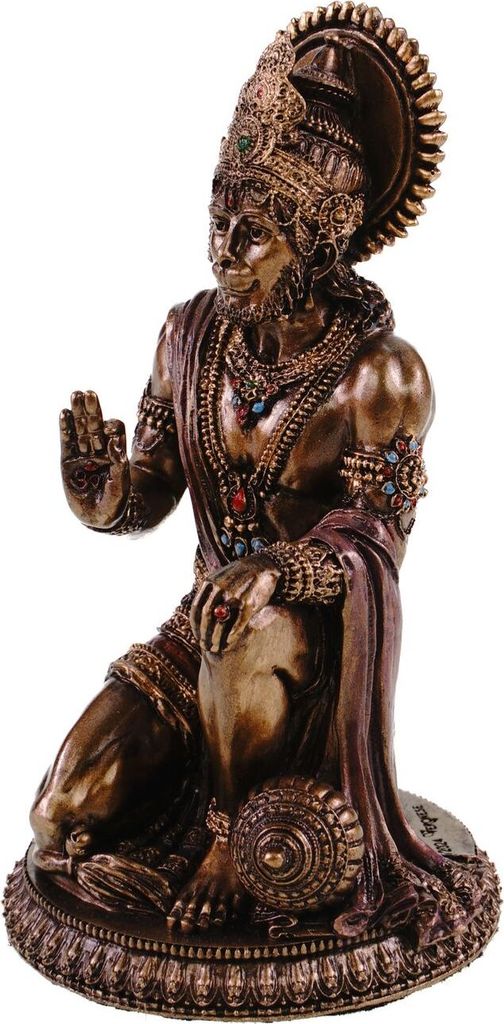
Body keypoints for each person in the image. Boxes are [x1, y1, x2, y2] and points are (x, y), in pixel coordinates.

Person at [29, 30, 481, 944]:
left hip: (304, 646)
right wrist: (104, 497)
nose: (224, 254)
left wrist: (276, 571)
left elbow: (377, 540)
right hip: (204, 620)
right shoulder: (188, 338)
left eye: (255, 234)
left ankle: (233, 836)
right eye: (218, 223)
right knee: (60, 816)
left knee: (245, 629)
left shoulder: (380, 378)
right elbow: (152, 486)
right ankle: (183, 797)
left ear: (317, 244)